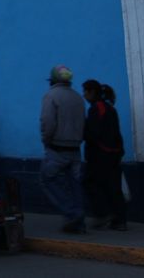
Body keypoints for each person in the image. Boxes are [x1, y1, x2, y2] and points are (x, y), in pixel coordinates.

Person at [40, 64, 87, 233]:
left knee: (49, 180)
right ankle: (78, 220)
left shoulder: (51, 96)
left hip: (56, 148)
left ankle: (71, 213)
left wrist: (46, 140)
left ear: (52, 80)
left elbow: (48, 123)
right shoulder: (78, 98)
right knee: (75, 185)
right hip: (75, 148)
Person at [82, 80, 127, 231]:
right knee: (113, 187)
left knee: (92, 184)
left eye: (86, 91)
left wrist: (83, 130)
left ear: (92, 92)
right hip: (113, 154)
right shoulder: (109, 108)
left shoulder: (97, 109)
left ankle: (103, 214)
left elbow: (94, 134)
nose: (84, 95)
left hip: (100, 155)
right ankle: (119, 219)